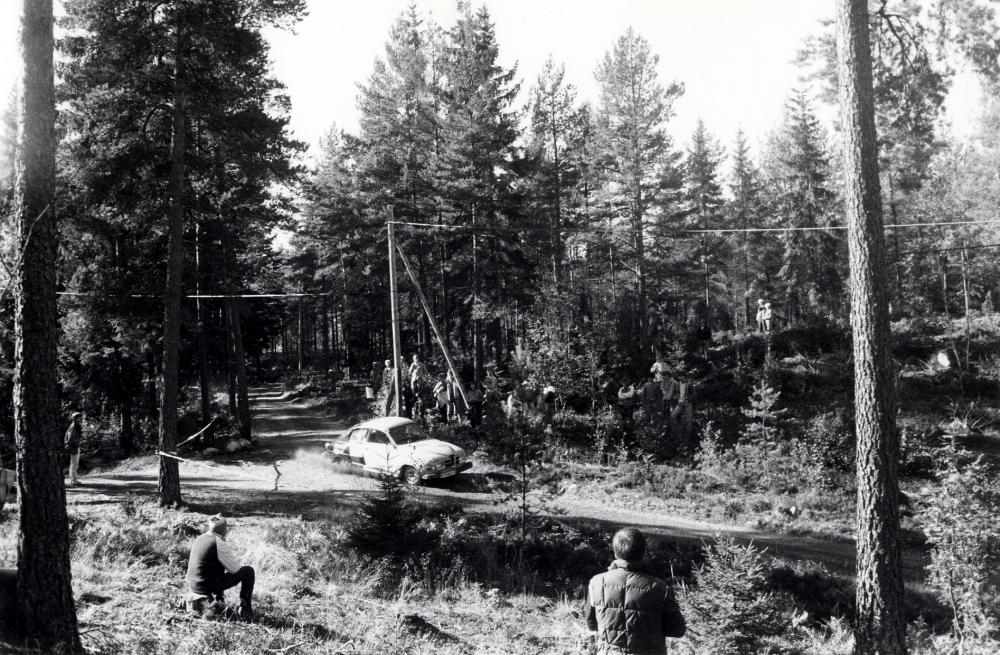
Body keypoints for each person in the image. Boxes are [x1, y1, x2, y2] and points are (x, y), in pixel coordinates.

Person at [584, 528, 685, 654]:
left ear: (615, 552)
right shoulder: (660, 588)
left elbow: (591, 624)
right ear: (643, 553)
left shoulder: (596, 583)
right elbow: (678, 630)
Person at [185, 515, 255, 620]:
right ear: (224, 530)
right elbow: (234, 569)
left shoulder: (200, 538)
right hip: (204, 586)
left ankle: (219, 600)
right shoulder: (218, 542)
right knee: (248, 571)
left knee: (216, 566)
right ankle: (245, 609)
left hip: (193, 584)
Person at [65, 412, 83, 486]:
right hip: (73, 447)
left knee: (75, 464)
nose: (81, 419)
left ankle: (75, 480)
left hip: (75, 446)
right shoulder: (73, 427)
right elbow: (70, 439)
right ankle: (74, 481)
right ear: (75, 418)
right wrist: (76, 444)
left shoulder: (76, 426)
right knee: (74, 464)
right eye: (79, 417)